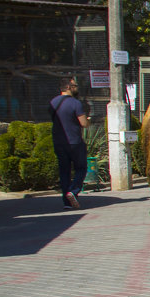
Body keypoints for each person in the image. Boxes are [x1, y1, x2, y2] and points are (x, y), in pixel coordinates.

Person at [49, 76, 90, 209]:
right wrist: (88, 120)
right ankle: (73, 191)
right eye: (74, 86)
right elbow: (83, 123)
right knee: (81, 168)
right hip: (74, 142)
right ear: (67, 87)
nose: (76, 88)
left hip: (59, 142)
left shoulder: (53, 102)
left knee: (64, 171)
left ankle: (67, 203)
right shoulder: (75, 103)